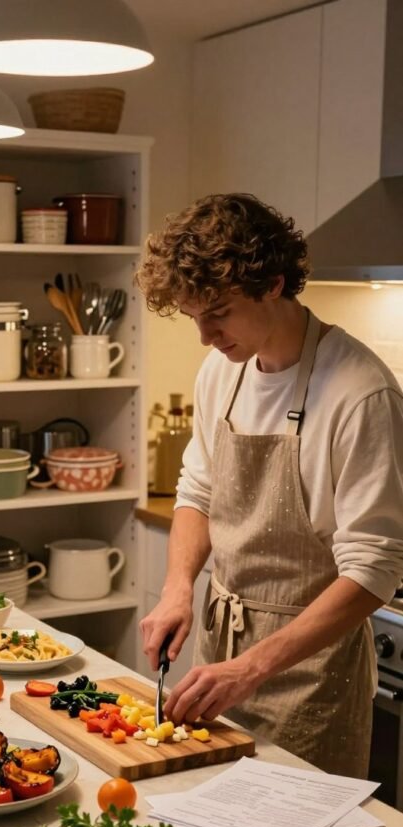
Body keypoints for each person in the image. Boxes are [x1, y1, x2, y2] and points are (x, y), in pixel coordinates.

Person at [136, 192, 403, 778]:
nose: (206, 336)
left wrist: (254, 667)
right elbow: (197, 491)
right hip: (220, 652)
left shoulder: (359, 392)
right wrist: (178, 587)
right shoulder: (222, 370)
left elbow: (374, 571)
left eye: (219, 313)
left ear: (274, 283)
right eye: (193, 317)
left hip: (311, 675)